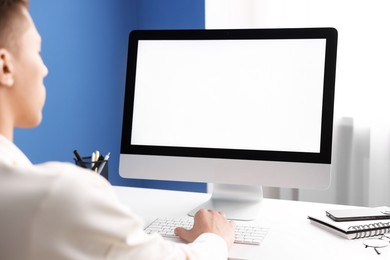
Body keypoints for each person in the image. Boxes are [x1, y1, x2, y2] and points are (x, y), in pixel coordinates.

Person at [0, 0, 235, 259]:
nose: (44, 69)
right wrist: (214, 238)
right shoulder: (55, 195)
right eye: (37, 51)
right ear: (5, 66)